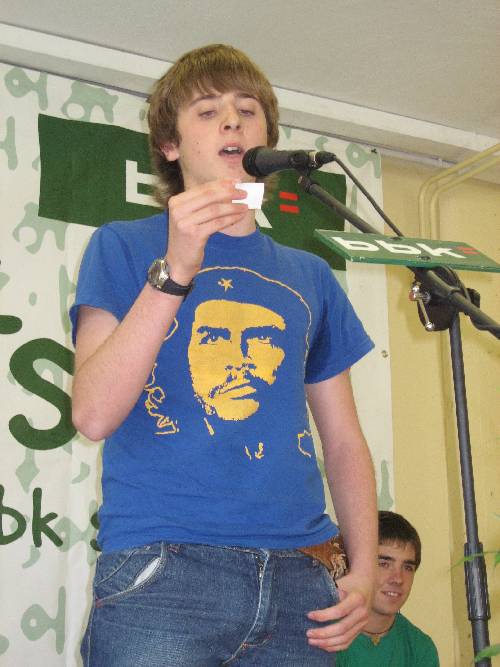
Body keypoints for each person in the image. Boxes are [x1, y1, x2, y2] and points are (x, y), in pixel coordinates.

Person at [71, 43, 378, 666]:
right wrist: (176, 269)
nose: (232, 121)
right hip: (165, 573)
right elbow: (94, 414)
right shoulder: (122, 246)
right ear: (170, 145)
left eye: (247, 110)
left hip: (302, 579)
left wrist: (365, 568)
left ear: (268, 141)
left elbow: (344, 439)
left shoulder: (312, 276)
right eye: (208, 111)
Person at [337, 511, 440, 666]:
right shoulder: (323, 635)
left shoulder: (420, 648)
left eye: (407, 567)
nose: (398, 579)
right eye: (384, 564)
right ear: (353, 565)